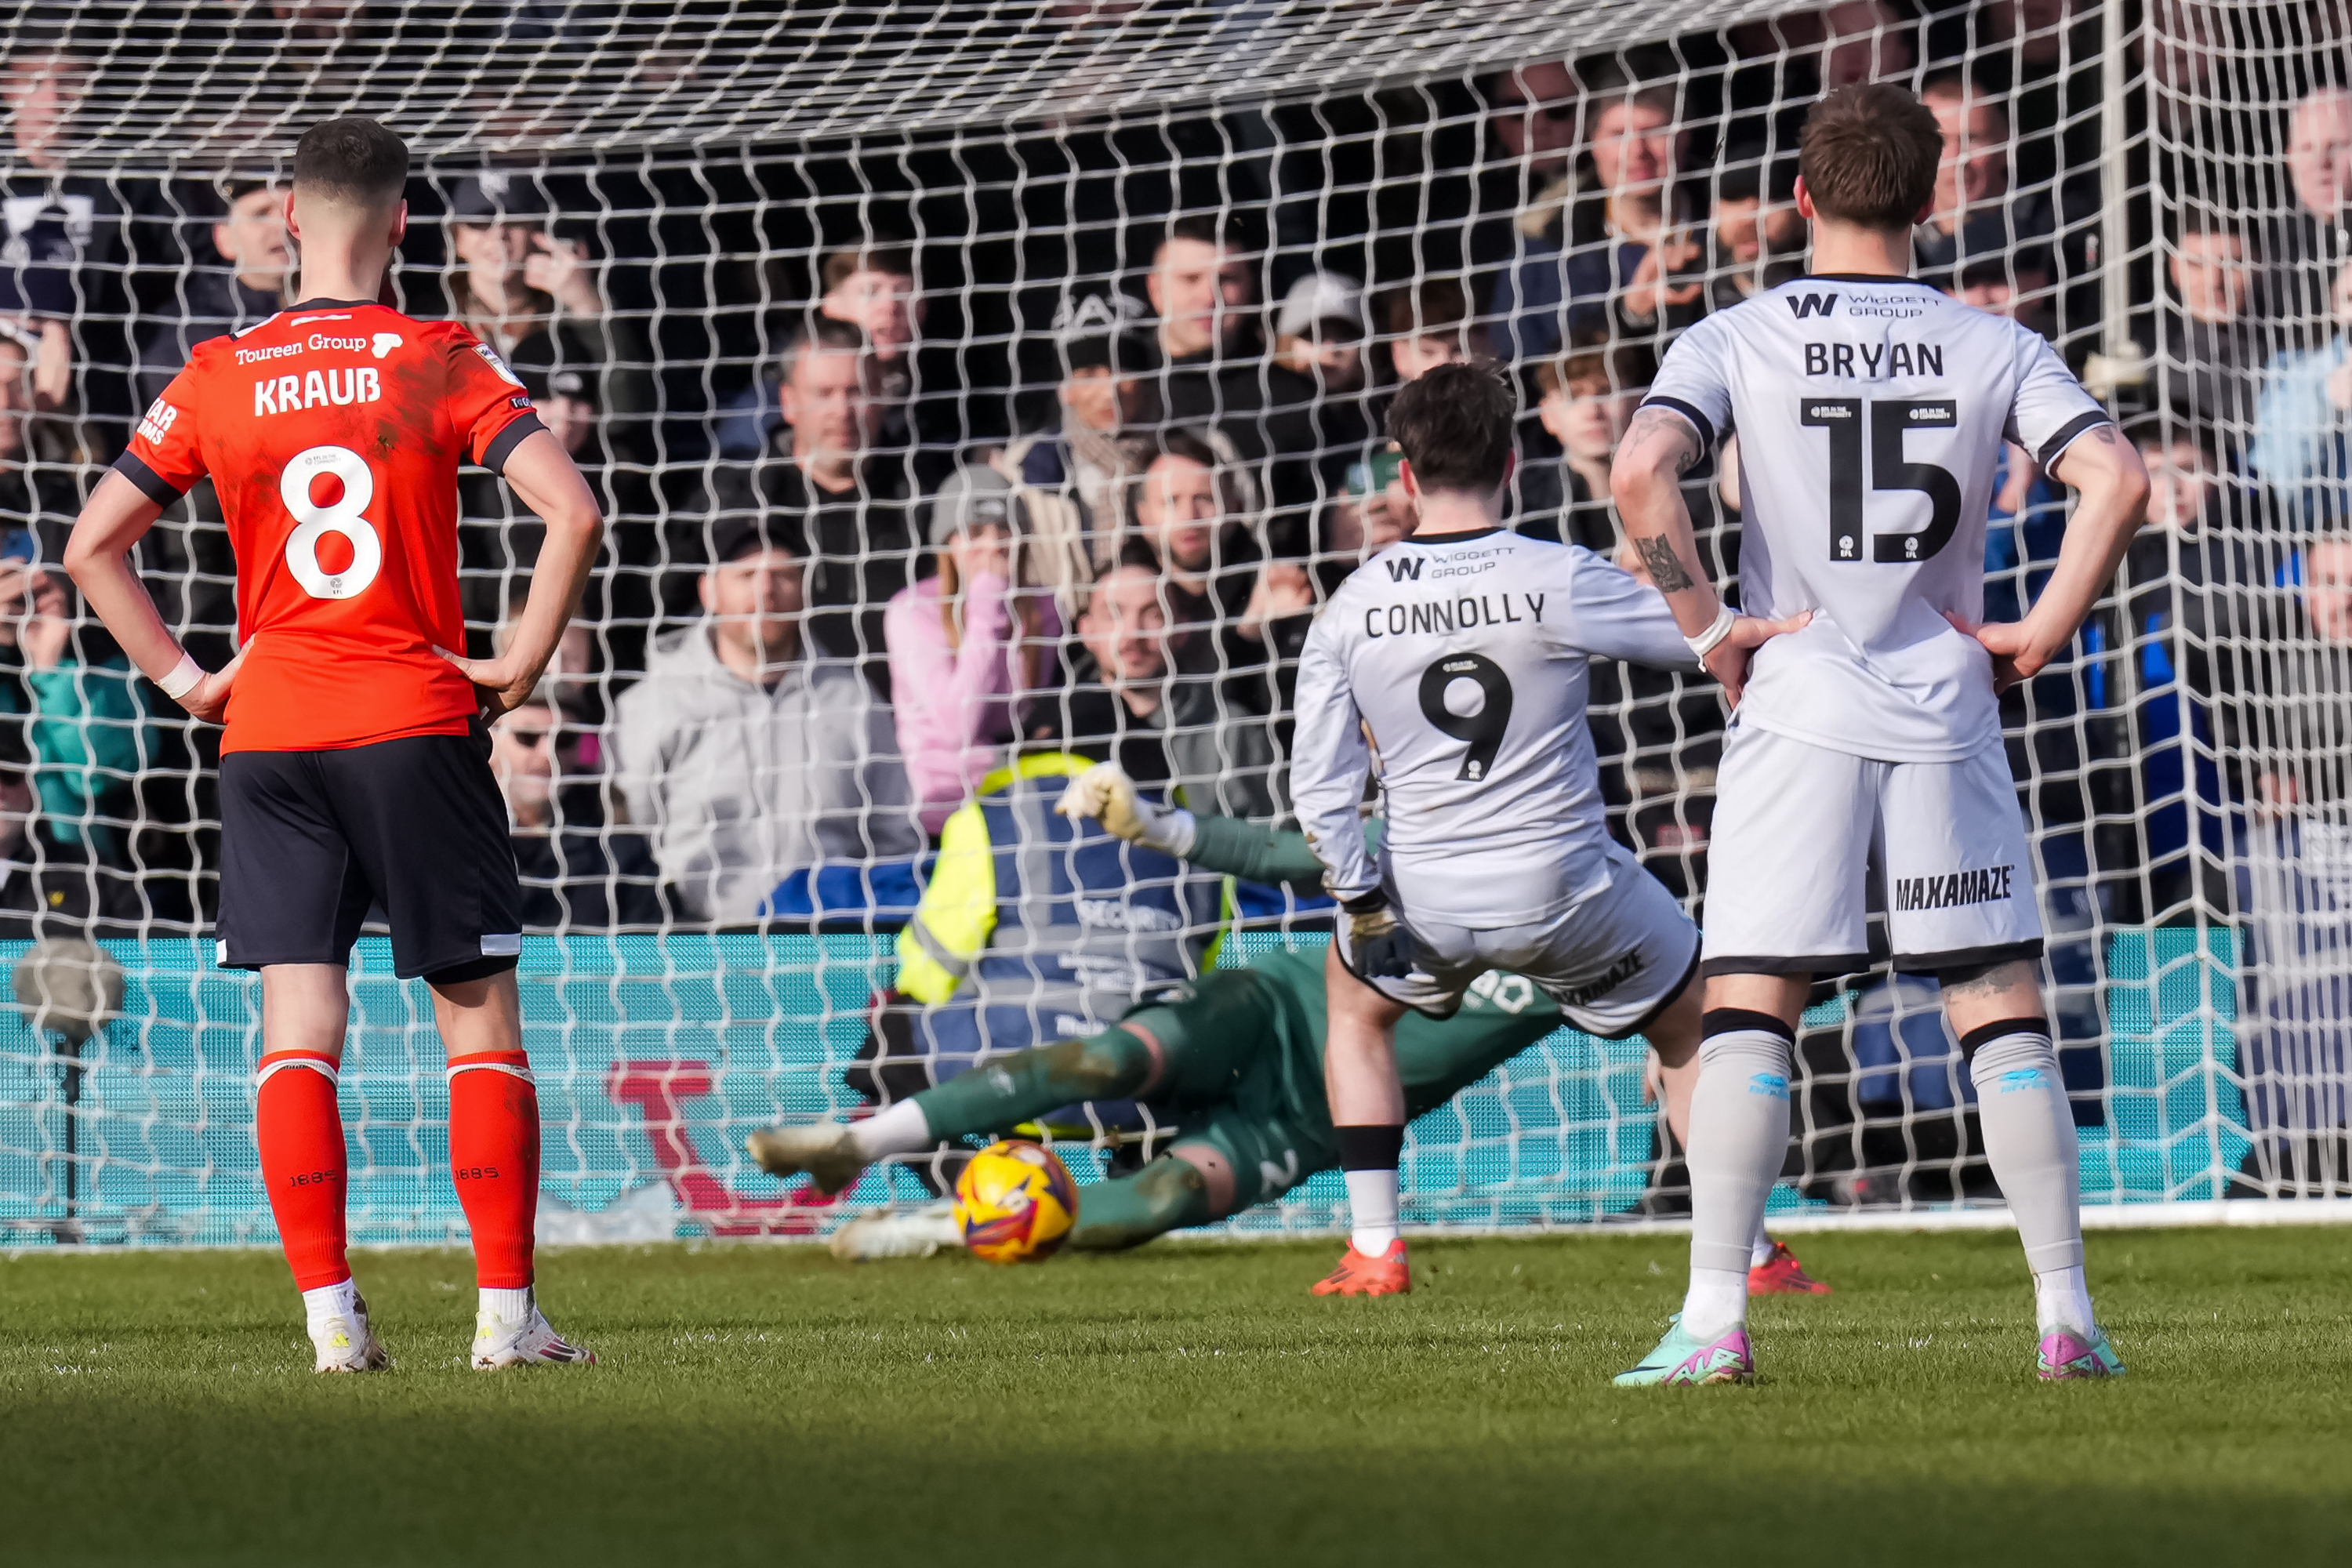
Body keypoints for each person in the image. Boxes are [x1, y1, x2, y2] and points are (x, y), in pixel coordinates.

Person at [1608, 82, 2149, 1385]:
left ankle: (1713, 1325)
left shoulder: (1735, 334)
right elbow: (2118, 479)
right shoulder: (1991, 342)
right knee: (1997, 1011)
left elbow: (1638, 473)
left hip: (1795, 708)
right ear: (1930, 196)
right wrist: (2039, 632)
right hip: (1944, 705)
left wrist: (1709, 628)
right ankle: (2066, 1318)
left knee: (1752, 1009)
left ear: (1801, 198)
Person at [64, 118, 606, 1371]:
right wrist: (521, 660)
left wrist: (190, 682)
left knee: (298, 1025)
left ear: (293, 220)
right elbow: (571, 509)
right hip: (413, 721)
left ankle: (329, 1322)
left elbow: (93, 546)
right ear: (407, 222)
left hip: (271, 737)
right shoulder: (437, 354)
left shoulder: (219, 369)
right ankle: (506, 1318)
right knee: (476, 1024)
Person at [751, 770, 1827, 1295]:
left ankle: (953, 1231)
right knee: (1107, 1058)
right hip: (1271, 1016)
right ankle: (863, 1141)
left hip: (1316, 1118)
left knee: (1169, 1200)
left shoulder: (1603, 928)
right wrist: (1158, 825)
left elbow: (1715, 1011)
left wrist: (1678, 1047)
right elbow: (1284, 857)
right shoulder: (1439, 850)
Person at [1288, 363, 1802, 1296]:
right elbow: (1696, 631)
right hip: (1567, 891)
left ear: (1404, 475)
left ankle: (1374, 1247)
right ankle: (1755, 1256)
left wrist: (1358, 892)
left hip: (1425, 896)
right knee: (1692, 1028)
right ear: (1514, 461)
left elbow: (1320, 779)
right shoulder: (1556, 576)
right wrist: (1684, 577)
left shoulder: (1353, 603)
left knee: (1357, 1011)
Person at [612, 515, 923, 923]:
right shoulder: (653, 703)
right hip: (697, 949)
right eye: (745, 576)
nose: (765, 592)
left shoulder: (854, 700)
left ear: (804, 588)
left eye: (782, 575)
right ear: (709, 590)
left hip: (829, 947)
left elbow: (894, 836)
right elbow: (631, 836)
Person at [707, 314, 916, 695]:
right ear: (788, 402)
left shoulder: (924, 493)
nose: (842, 411)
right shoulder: (738, 502)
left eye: (857, 392)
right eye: (824, 394)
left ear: (883, 396)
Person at [1032, 561, 1283, 822]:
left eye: (1154, 615)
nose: (1132, 634)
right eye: (1113, 615)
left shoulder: (1231, 731)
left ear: (1180, 630)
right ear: (1087, 631)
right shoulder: (1055, 729)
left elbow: (1275, 847)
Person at [885, 465, 1062, 834]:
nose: (993, 545)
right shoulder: (911, 611)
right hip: (939, 814)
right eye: (975, 533)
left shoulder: (1045, 606)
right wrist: (988, 604)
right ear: (948, 543)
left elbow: (1015, 719)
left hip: (1018, 801)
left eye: (1005, 530)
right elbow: (958, 725)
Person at [490, 695, 661, 928]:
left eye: (565, 739)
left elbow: (649, 947)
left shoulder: (617, 847)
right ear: (489, 740)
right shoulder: (451, 835)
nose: (548, 754)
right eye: (527, 737)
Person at [134, 178, 293, 405]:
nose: (283, 226)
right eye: (261, 214)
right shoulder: (189, 337)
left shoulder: (344, 305)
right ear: (224, 237)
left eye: (293, 213)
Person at [1913, 71, 2055, 296]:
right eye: (1939, 142)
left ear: (2007, 144)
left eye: (1973, 139)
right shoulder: (1896, 240)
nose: (1958, 159)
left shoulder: (2053, 226)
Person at [2250, 256, 2352, 529]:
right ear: (2333, 304)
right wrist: (2323, 400)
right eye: (2351, 297)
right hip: (2319, 550)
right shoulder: (2290, 371)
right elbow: (2274, 485)